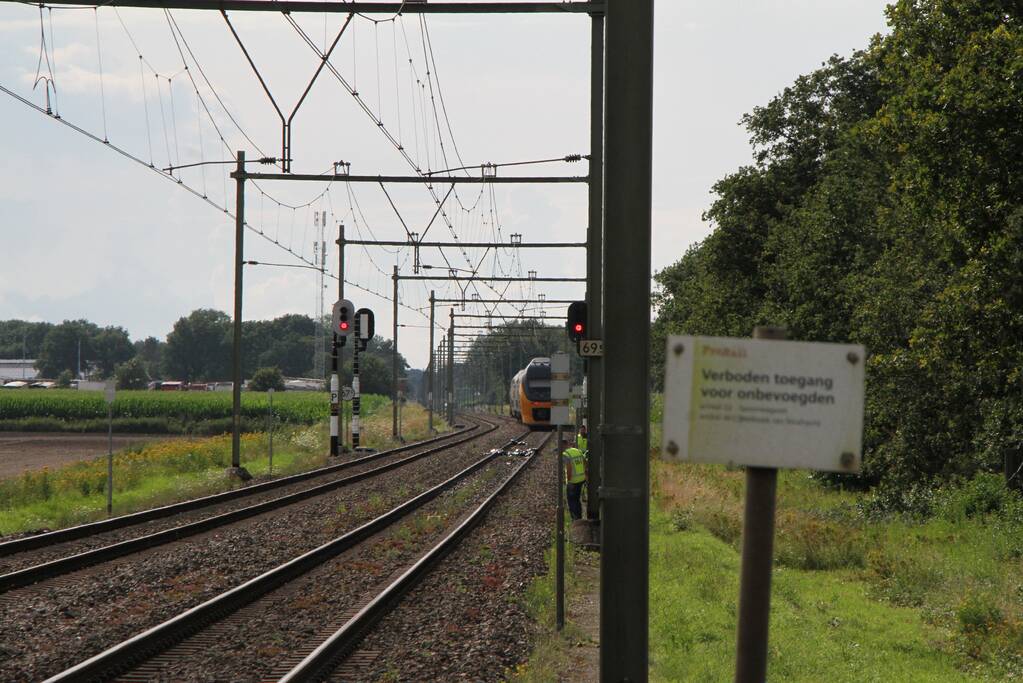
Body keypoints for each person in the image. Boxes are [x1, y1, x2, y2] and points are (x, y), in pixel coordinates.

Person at [562, 437, 587, 521]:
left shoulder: (566, 454)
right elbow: (584, 462)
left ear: (563, 445)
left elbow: (569, 468)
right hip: (581, 479)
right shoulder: (577, 451)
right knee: (577, 499)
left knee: (572, 501)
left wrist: (568, 481)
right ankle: (579, 516)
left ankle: (575, 519)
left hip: (573, 481)